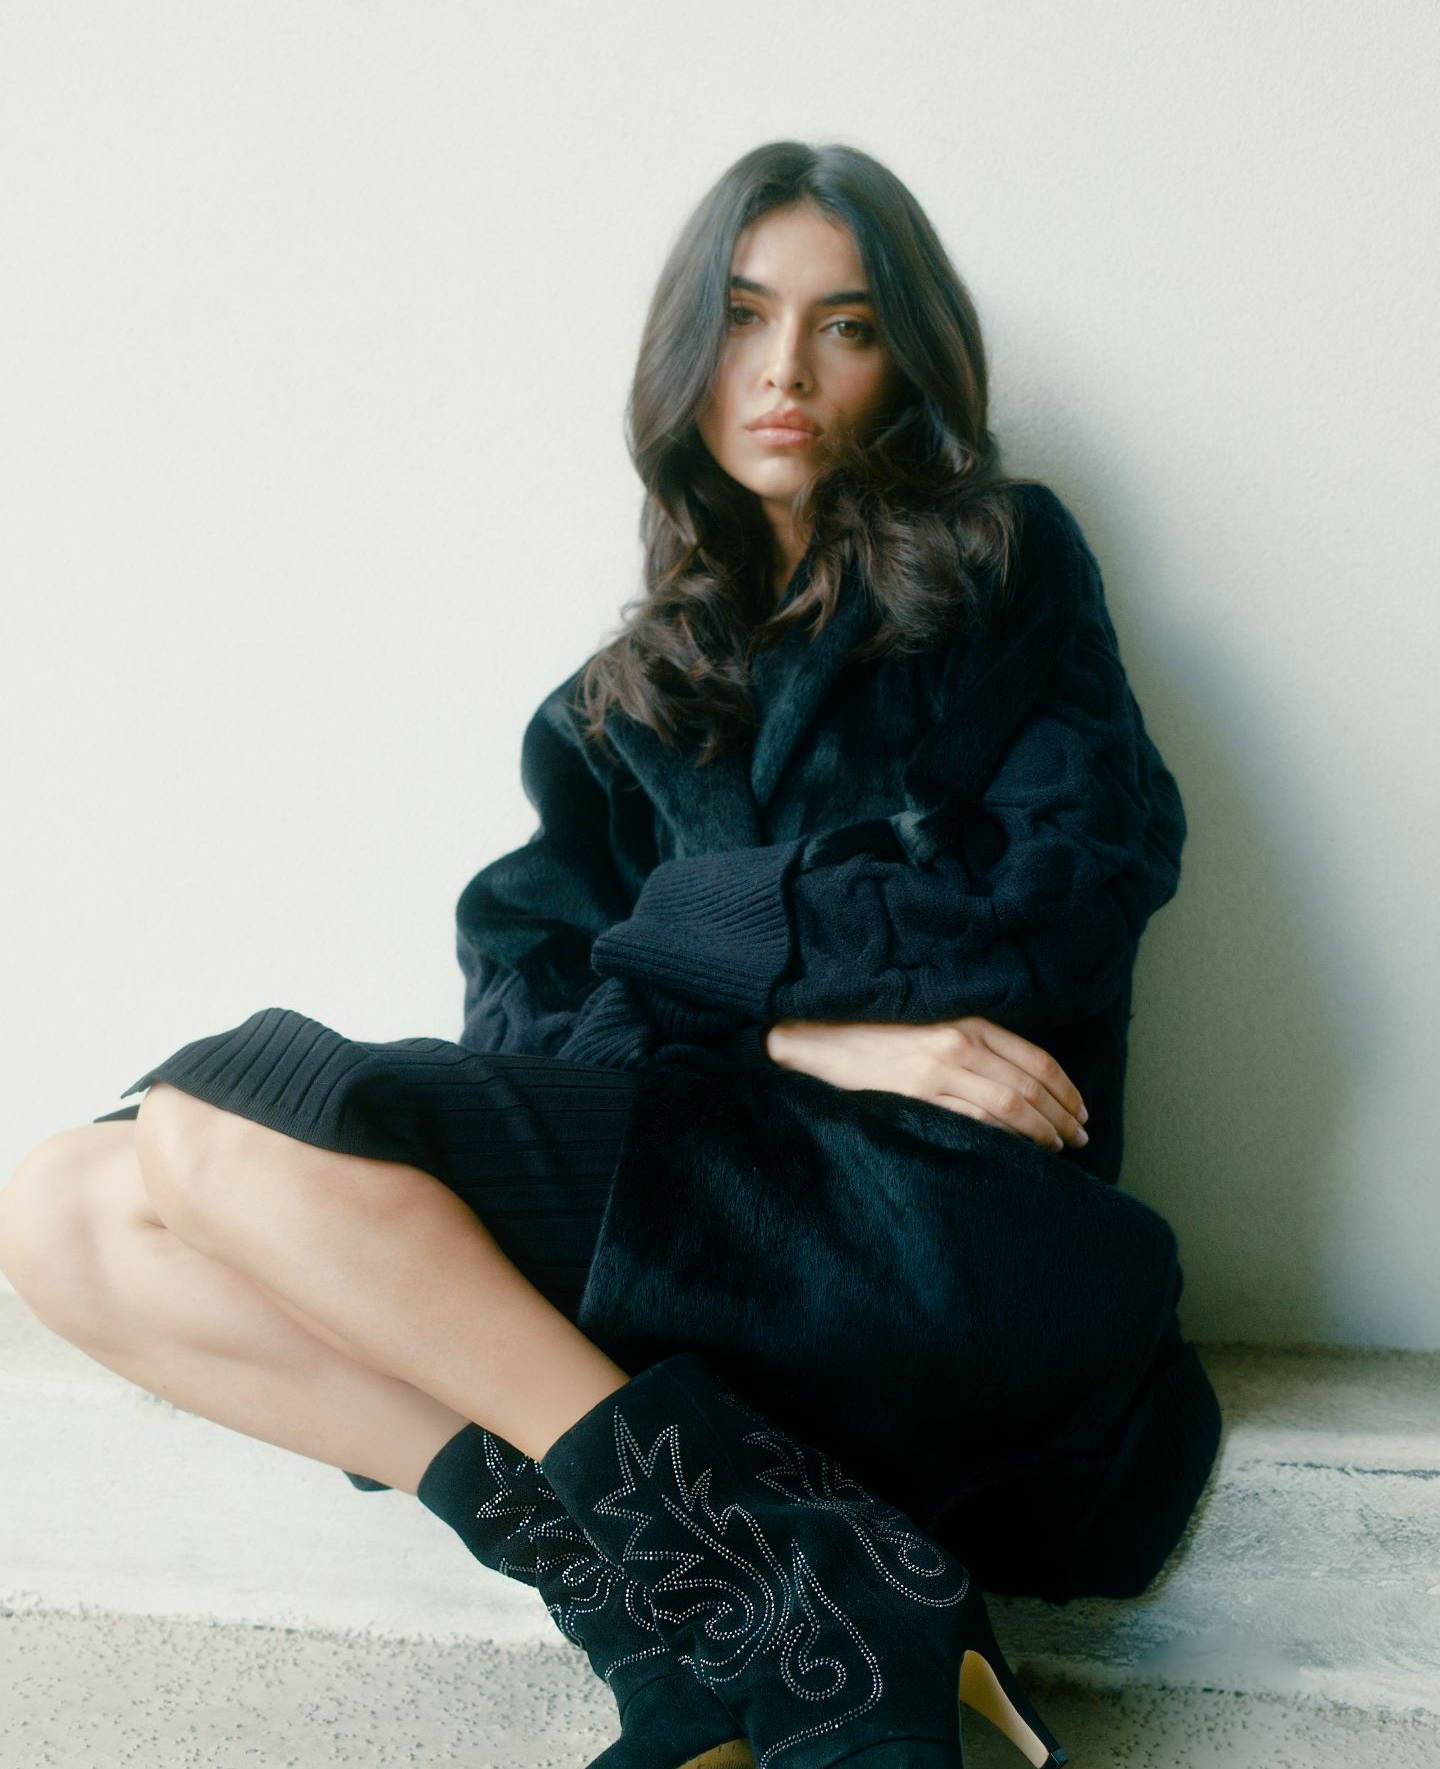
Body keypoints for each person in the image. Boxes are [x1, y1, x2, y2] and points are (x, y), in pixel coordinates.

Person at [0, 140, 1222, 1769]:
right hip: (715, 1203)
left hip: (956, 1226)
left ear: (906, 363)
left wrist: (680, 950)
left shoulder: (1002, 570)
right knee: (60, 1204)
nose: (784, 368)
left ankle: (804, 1613)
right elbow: (525, 997)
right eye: (740, 316)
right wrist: (797, 1033)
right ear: (683, 353)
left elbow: (1071, 878)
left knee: (220, 1118)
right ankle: (709, 1633)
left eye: (846, 327)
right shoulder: (619, 701)